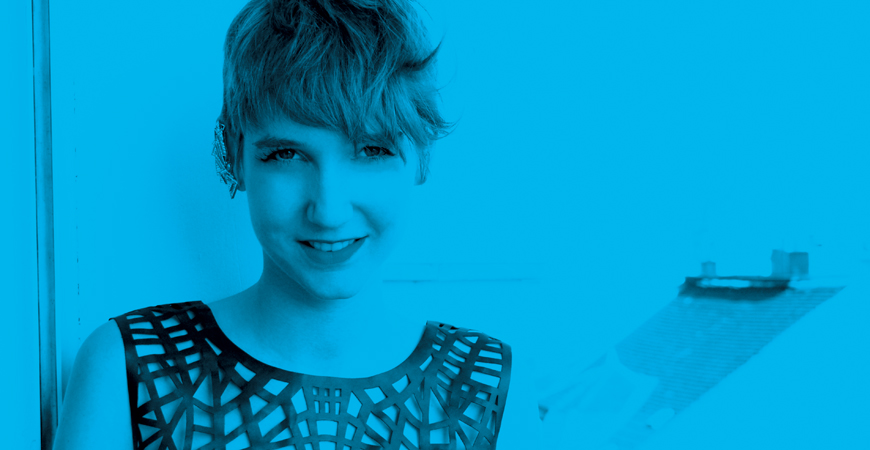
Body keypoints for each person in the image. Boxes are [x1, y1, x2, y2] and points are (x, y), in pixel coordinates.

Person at [54, 1, 541, 449]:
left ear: (422, 157)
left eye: (373, 150)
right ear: (236, 156)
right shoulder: (131, 370)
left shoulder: (487, 391)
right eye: (287, 155)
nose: (328, 211)